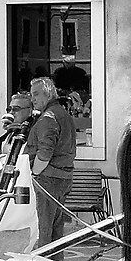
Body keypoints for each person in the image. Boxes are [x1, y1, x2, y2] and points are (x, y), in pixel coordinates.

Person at [27, 76, 80, 246]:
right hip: (62, 178)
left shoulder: (48, 117)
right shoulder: (63, 114)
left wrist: (33, 173)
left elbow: (44, 154)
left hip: (47, 180)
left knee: (44, 234)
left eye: (36, 94)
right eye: (31, 95)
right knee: (56, 236)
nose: (32, 99)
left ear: (48, 94)